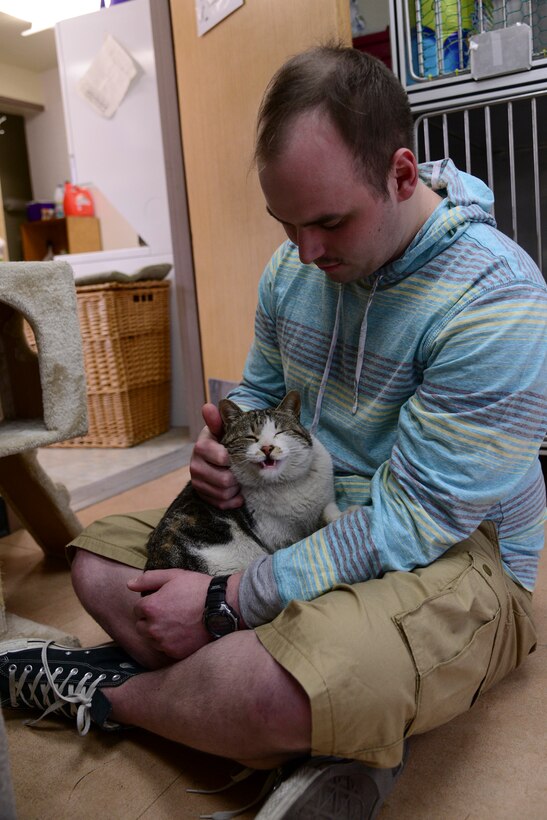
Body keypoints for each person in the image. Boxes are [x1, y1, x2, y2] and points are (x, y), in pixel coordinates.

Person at [1, 45, 546, 819]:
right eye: (284, 223)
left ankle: (115, 692)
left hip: (455, 553)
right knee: (94, 565)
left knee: (264, 687)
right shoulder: (293, 269)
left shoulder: (498, 300)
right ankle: (298, 713)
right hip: (290, 519)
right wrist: (215, 457)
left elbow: (409, 526)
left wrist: (226, 603)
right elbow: (253, 402)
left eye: (327, 221)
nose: (304, 252)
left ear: (401, 174)